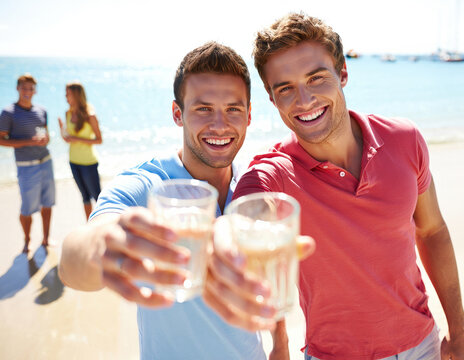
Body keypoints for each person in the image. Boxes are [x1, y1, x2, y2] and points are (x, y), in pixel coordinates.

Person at [231, 13, 464, 360]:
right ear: (271, 98)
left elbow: (432, 231)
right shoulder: (274, 174)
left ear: (343, 73)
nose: (304, 99)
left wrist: (459, 333)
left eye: (316, 78)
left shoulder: (404, 140)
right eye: (285, 88)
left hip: (423, 346)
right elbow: (237, 226)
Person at [58, 42, 312, 360]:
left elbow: (268, 274)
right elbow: (71, 264)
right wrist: (106, 248)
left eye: (233, 109)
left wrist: (281, 345)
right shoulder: (147, 186)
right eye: (203, 109)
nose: (220, 124)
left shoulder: (253, 189)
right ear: (178, 113)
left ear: (249, 116)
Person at [0, 73, 55, 253]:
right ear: (17, 88)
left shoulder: (41, 110)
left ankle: (46, 239)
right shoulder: (8, 113)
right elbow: (2, 140)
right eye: (24, 88)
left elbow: (44, 134)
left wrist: (46, 139)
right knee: (27, 208)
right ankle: (27, 240)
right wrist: (29, 141)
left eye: (31, 88)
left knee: (47, 203)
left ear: (35, 91)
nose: (27, 91)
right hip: (26, 166)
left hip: (46, 161)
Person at [58, 82, 103, 220]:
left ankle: (105, 224)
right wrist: (62, 131)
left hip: (88, 162)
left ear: (77, 95)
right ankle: (89, 225)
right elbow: (68, 139)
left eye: (68, 94)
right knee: (84, 197)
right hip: (73, 161)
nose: (66, 97)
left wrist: (76, 138)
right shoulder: (68, 113)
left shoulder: (90, 115)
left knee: (97, 196)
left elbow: (99, 140)